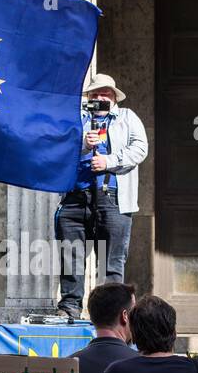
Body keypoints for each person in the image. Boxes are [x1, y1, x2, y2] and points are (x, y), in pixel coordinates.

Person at [54, 73, 149, 320]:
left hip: (113, 197)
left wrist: (109, 161)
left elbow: (140, 149)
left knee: (111, 260)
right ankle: (70, 307)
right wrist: (84, 143)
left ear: (114, 97)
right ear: (88, 97)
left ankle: (112, 314)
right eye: (95, 93)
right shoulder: (75, 119)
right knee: (71, 255)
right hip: (75, 196)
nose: (99, 97)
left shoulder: (127, 117)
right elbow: (57, 149)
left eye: (104, 93)